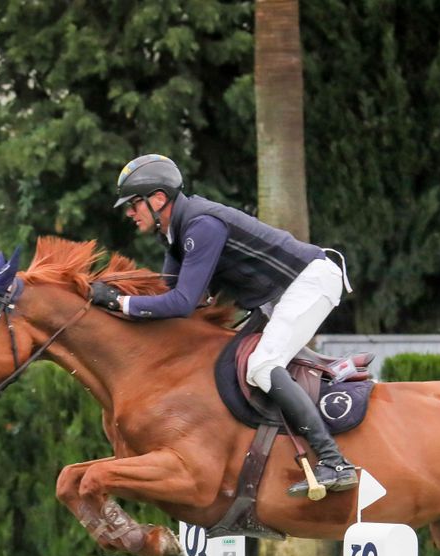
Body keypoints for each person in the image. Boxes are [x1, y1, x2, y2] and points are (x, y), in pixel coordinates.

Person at [91, 153, 359, 498]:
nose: (130, 213)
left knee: (262, 366)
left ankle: (335, 462)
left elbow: (181, 304)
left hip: (310, 283)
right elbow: (171, 299)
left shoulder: (201, 226)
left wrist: (117, 301)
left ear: (158, 198)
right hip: (279, 295)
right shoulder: (176, 235)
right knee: (228, 362)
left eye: (133, 204)